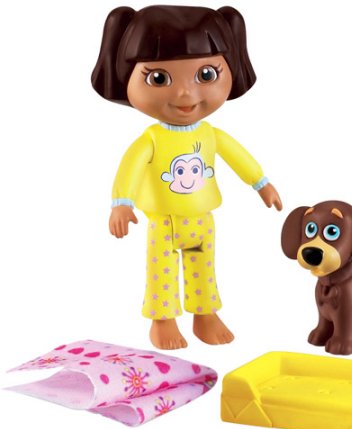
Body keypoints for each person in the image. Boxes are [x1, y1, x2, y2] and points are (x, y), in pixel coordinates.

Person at [92, 5, 282, 349]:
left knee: (203, 268)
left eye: (206, 75)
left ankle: (205, 314)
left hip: (201, 219)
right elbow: (129, 168)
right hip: (163, 222)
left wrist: (261, 184)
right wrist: (121, 203)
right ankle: (163, 320)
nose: (185, 94)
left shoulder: (210, 134)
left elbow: (238, 157)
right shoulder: (151, 140)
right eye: (159, 78)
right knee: (161, 273)